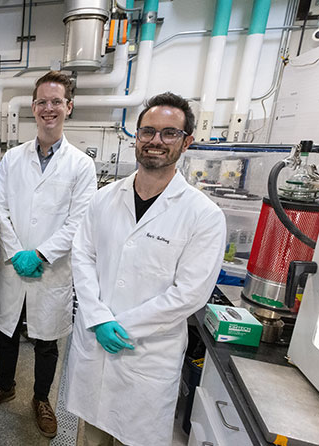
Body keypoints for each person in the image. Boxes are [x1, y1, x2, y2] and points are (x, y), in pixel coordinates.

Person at [64, 92, 226, 446]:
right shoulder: (104, 198)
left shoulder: (203, 215)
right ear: (135, 137)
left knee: (134, 436)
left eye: (169, 133)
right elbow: (82, 255)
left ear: (187, 143)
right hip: (95, 341)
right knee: (91, 436)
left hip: (148, 356)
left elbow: (190, 294)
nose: (156, 141)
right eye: (148, 132)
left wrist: (122, 326)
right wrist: (98, 317)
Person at [0, 71, 97, 438]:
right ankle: (5, 386)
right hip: (15, 265)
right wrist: (17, 254)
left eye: (56, 102)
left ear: (68, 107)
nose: (49, 108)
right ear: (33, 108)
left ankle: (42, 398)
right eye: (42, 102)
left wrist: (41, 255)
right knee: (8, 330)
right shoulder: (13, 159)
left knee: (47, 341)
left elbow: (80, 222)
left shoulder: (82, 165)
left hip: (52, 270)